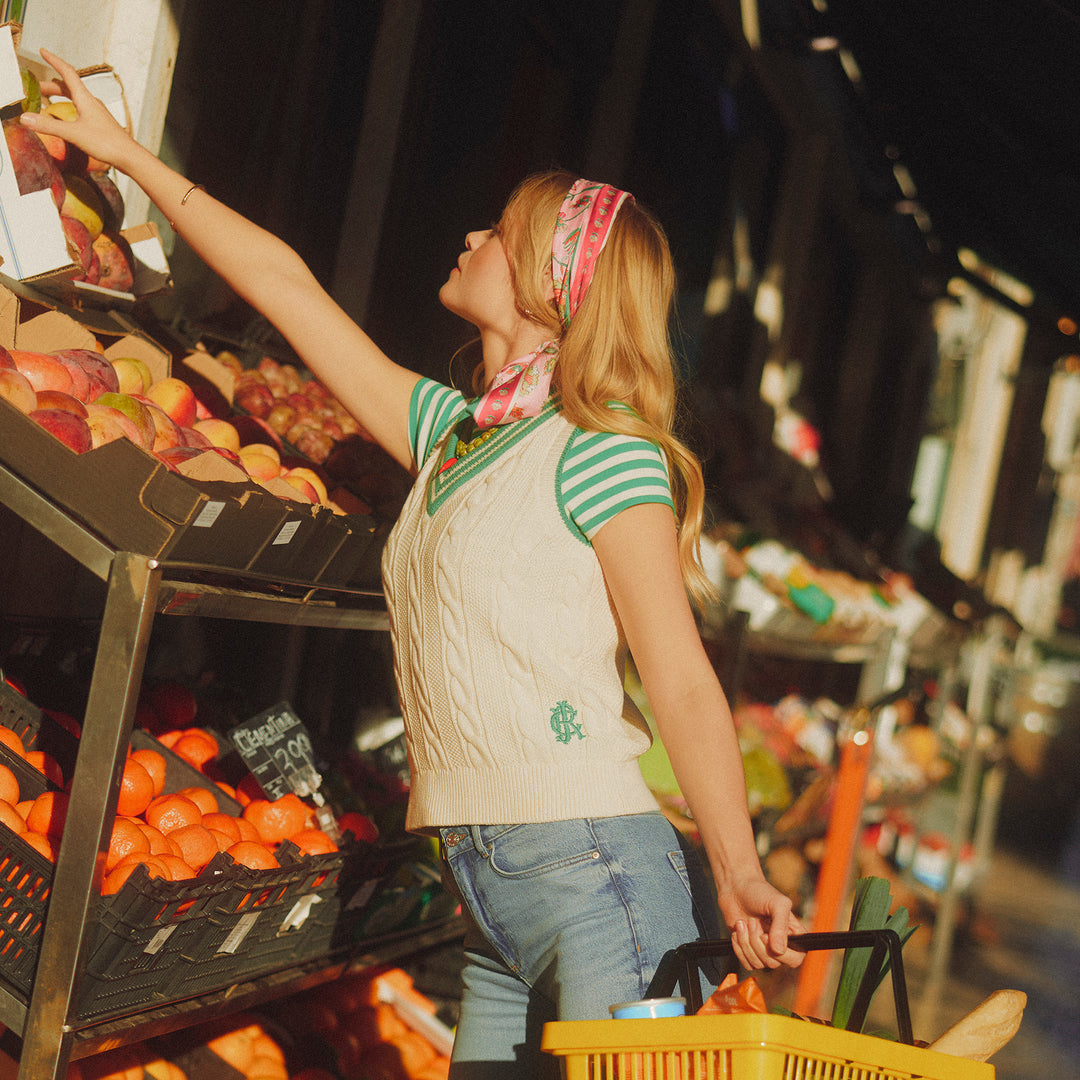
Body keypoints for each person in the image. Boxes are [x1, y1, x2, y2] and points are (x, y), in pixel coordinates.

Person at [26, 50, 805, 1076]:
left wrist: (738, 868)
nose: (472, 235)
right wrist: (124, 154)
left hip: (598, 872)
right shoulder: (451, 436)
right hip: (486, 880)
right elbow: (286, 286)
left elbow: (682, 681)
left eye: (501, 233)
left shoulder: (607, 453)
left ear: (544, 282)